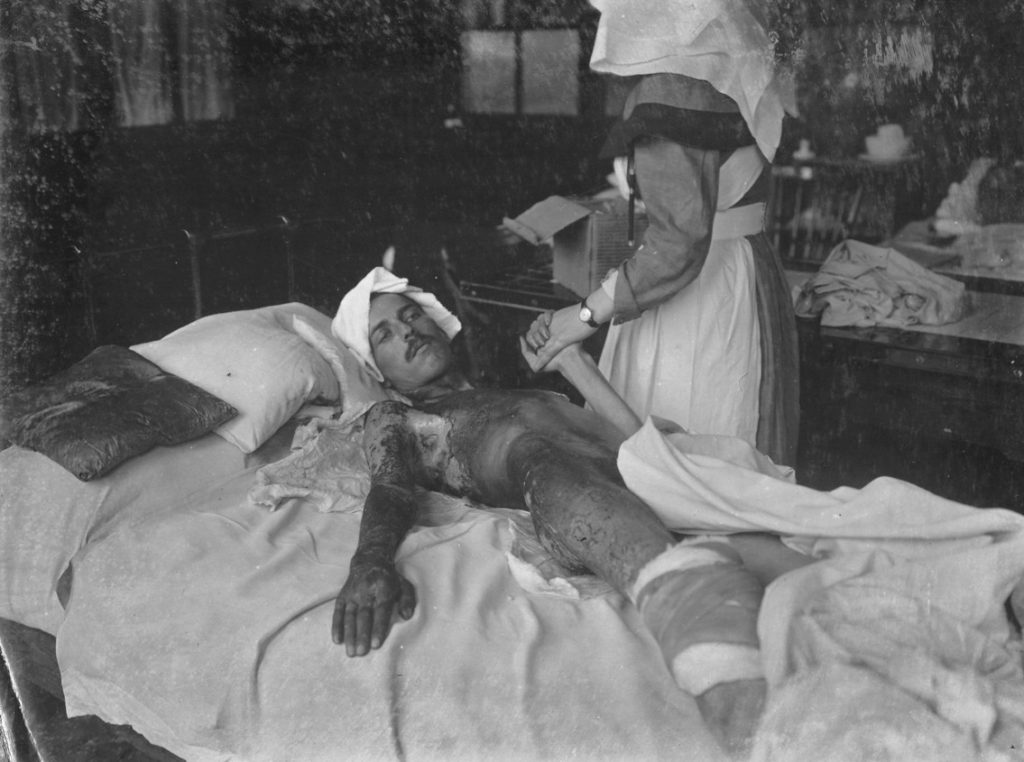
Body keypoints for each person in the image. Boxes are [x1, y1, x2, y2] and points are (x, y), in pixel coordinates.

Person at [329, 267, 810, 757]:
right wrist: (370, 561)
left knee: (815, 592)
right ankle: (718, 669)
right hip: (564, 495)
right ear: (377, 371)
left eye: (411, 315)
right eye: (384, 335)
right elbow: (389, 485)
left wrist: (572, 361)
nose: (407, 331)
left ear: (436, 320)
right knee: (533, 450)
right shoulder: (398, 417)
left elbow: (632, 441)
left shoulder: (510, 388)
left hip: (650, 482)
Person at [523, 0, 800, 467]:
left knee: (676, 461)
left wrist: (585, 314)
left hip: (694, 299)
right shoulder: (735, 73)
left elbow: (678, 243)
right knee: (724, 446)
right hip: (742, 274)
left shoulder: (671, 90)